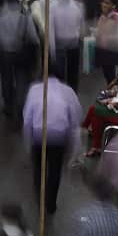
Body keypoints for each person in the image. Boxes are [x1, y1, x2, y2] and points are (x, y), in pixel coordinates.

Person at [22, 74, 82, 215]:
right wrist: (75, 145)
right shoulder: (67, 91)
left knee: (38, 169)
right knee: (55, 170)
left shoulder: (35, 89)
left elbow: (27, 117)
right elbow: (76, 115)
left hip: (38, 135)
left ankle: (40, 199)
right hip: (58, 136)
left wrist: (27, 140)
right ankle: (51, 204)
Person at [0, 0, 37, 128]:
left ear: (6, 1)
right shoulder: (24, 17)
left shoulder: (0, 16)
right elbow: (32, 36)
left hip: (5, 54)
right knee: (21, 81)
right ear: (18, 2)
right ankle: (19, 110)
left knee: (6, 80)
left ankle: (8, 106)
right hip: (20, 54)